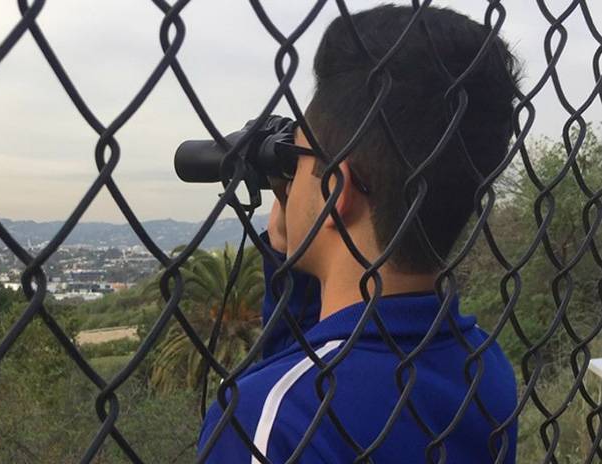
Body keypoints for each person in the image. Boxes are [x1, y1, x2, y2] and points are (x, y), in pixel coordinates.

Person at [197, 4, 520, 463]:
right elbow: (327, 356)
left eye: (299, 160)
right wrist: (290, 264)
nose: (289, 182)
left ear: (334, 191)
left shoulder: (268, 421)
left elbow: (301, 377)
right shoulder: (482, 368)